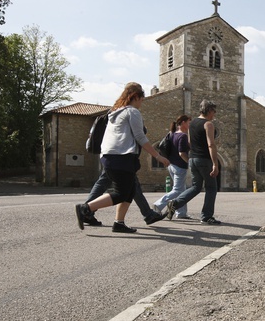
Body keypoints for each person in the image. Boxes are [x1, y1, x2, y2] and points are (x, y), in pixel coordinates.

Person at [74, 82, 170, 233]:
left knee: (130, 191)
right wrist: (158, 156)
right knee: (120, 193)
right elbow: (140, 137)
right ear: (135, 97)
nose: (141, 103)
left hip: (110, 156)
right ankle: (86, 208)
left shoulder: (116, 112)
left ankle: (119, 223)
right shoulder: (132, 112)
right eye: (141, 100)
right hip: (121, 157)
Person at [166, 99, 221, 224]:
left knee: (196, 187)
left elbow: (190, 143)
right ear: (210, 110)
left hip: (193, 159)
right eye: (214, 111)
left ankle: (175, 203)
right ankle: (206, 216)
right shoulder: (208, 124)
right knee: (211, 187)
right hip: (204, 160)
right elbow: (211, 145)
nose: (214, 114)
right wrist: (215, 164)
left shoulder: (193, 123)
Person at [82, 172, 166, 226]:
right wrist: (158, 156)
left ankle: (86, 211)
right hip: (122, 155)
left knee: (104, 180)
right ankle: (86, 210)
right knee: (128, 186)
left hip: (110, 152)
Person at [153, 115, 193, 219]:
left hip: (171, 165)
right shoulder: (182, 136)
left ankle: (181, 213)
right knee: (177, 190)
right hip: (180, 167)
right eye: (189, 122)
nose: (190, 124)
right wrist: (190, 162)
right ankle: (158, 205)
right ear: (183, 123)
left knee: (182, 190)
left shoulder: (173, 134)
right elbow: (181, 153)